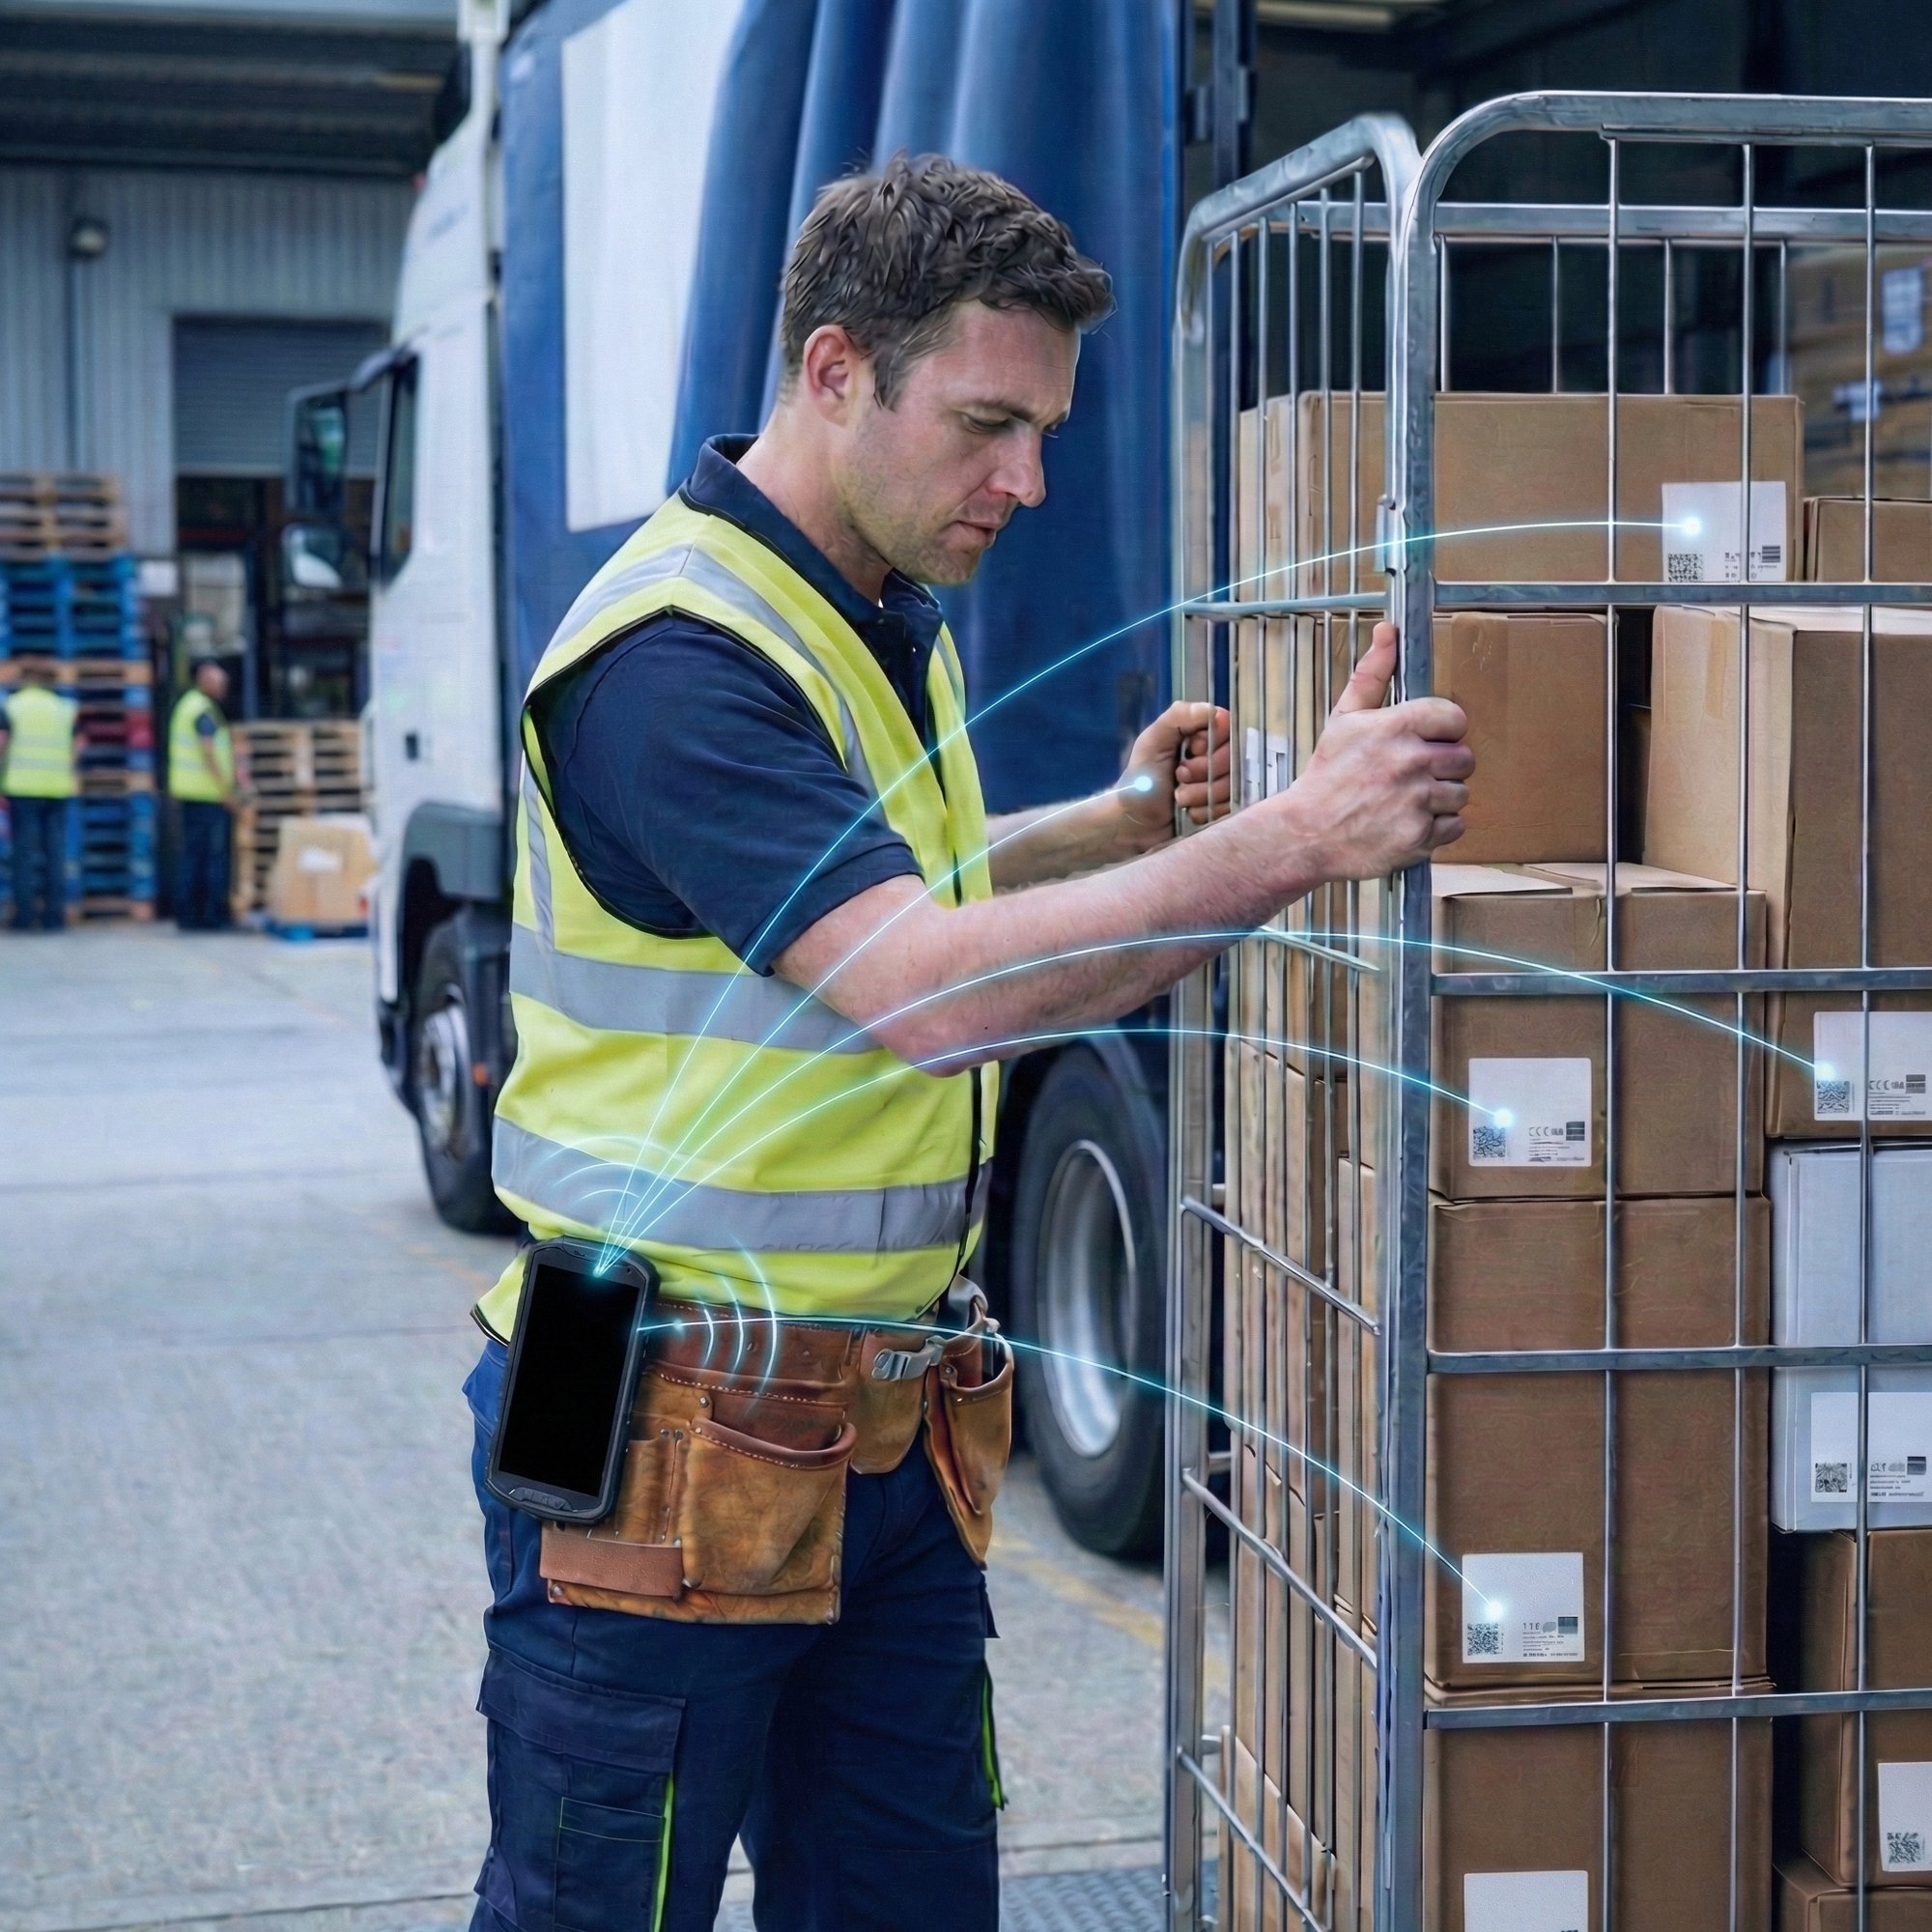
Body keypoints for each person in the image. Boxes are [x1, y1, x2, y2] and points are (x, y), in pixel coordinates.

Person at [464, 154, 1471, 1932]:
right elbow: (923, 988)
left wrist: (1113, 826)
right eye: (990, 423)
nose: (1029, 479)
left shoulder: (867, 609)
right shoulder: (679, 665)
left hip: (873, 1434)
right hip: (658, 1433)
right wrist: (1301, 838)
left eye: (1045, 431)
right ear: (836, 368)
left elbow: (852, 902)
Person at [0, 661, 80, 931]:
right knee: (54, 853)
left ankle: (24, 917)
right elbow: (79, 743)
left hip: (22, 787)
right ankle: (54, 917)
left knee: (23, 853)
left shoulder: (12, 705)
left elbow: (1, 744)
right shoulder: (64, 708)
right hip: (56, 786)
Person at [166, 659, 236, 930]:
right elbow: (209, 752)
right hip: (206, 795)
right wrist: (226, 792)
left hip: (193, 793)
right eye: (220, 682)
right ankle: (208, 915)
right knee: (209, 858)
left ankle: (190, 914)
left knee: (193, 855)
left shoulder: (190, 706)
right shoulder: (202, 711)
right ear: (205, 680)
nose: (223, 688)